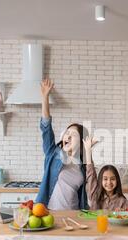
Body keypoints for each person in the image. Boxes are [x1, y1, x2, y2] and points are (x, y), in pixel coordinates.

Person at [35, 79, 88, 210]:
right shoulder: (53, 154)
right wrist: (45, 97)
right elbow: (46, 127)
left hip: (75, 215)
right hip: (50, 213)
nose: (68, 136)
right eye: (67, 133)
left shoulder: (84, 166)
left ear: (81, 144)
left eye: (73, 135)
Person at [83, 136, 128, 210]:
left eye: (112, 179)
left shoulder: (123, 202)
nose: (109, 182)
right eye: (105, 179)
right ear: (100, 181)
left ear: (117, 180)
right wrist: (88, 151)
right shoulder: (95, 196)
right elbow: (91, 174)